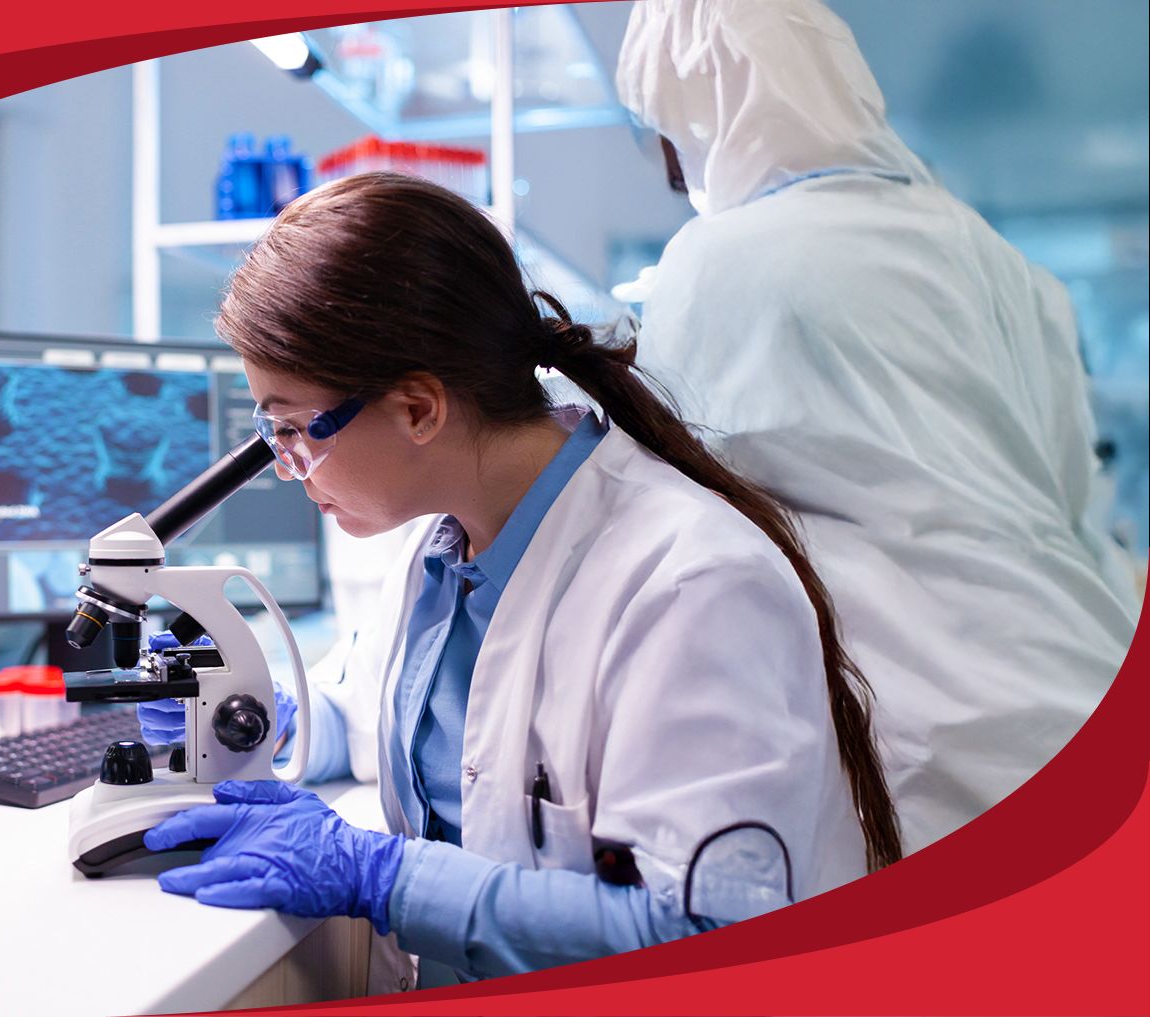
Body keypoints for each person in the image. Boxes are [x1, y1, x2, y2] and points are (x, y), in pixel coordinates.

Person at [138, 172, 901, 988]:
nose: (288, 468)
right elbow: (387, 727)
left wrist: (382, 877)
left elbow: (705, 925)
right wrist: (261, 719)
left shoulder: (690, 582)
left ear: (419, 409)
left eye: (292, 430)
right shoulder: (442, 553)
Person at [614, 0, 1139, 856]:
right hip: (1081, 666)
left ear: (707, 102)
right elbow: (1077, 495)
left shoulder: (715, 263)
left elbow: (667, 512)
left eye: (665, 128)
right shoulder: (997, 257)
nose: (670, 164)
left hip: (929, 728)